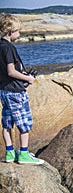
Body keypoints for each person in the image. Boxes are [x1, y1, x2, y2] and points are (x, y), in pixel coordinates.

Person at [0, 13, 44, 164]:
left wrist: (22, 72)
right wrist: (28, 78)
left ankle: (10, 153)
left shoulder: (0, 46)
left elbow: (6, 71)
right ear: (10, 31)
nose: (19, 34)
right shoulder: (9, 48)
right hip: (16, 92)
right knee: (24, 124)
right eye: (18, 31)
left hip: (4, 91)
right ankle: (24, 154)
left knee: (7, 123)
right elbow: (11, 72)